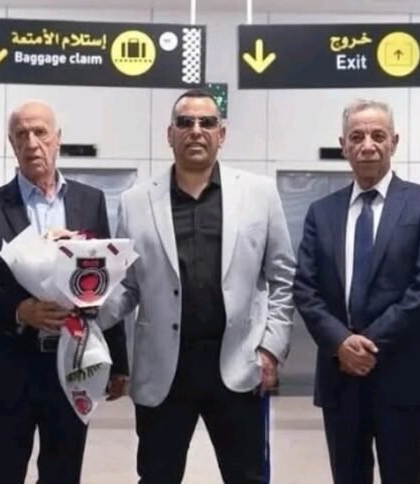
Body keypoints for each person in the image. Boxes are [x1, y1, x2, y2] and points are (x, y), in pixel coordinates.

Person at [96, 88, 295, 483]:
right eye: (185, 122)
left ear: (222, 134)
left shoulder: (259, 194)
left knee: (248, 477)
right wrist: (86, 315)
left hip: (238, 363)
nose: (196, 130)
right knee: (157, 476)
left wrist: (271, 348)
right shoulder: (136, 201)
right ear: (170, 134)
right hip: (164, 370)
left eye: (207, 122)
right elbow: (129, 285)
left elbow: (283, 276)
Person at [0, 100, 130, 484]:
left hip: (72, 366)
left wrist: (118, 360)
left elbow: (105, 281)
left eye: (40, 132)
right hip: (8, 368)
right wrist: (20, 310)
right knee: (1, 475)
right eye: (21, 134)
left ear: (57, 139)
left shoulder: (89, 201)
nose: (31, 142)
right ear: (11, 143)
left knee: (63, 475)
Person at [293, 99, 420, 484]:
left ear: (394, 142)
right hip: (340, 375)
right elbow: (305, 288)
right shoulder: (321, 212)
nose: (368, 145)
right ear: (343, 145)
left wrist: (365, 346)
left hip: (403, 372)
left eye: (378, 136)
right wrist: (341, 343)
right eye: (357, 136)